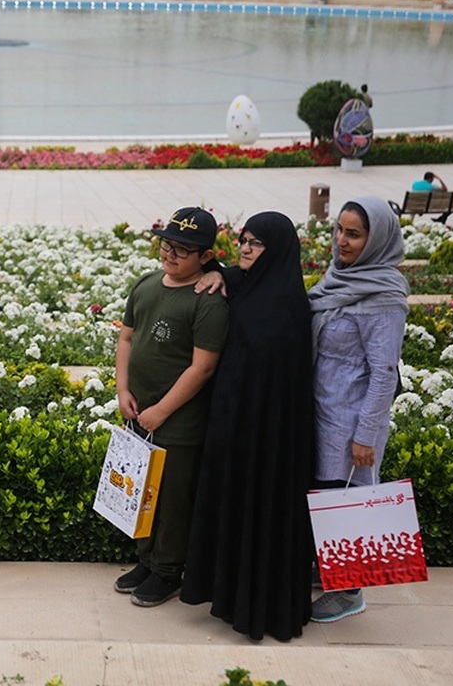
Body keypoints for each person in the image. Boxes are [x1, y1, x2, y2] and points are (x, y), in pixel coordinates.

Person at [181, 212, 315, 641]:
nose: (245, 248)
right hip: (234, 431)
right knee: (233, 513)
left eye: (256, 244)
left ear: (275, 252)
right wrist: (220, 273)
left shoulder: (291, 307)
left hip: (271, 441)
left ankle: (264, 609)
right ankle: (230, 599)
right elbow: (223, 276)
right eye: (243, 239)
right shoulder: (243, 284)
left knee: (265, 519)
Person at [113, 207, 229, 608]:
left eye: (184, 249)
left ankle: (167, 571)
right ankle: (146, 560)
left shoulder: (207, 301)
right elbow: (126, 340)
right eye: (167, 244)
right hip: (136, 414)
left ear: (206, 258)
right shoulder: (146, 285)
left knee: (172, 499)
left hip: (178, 423)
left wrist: (162, 410)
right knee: (142, 492)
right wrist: (122, 388)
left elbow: (203, 367)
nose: (171, 254)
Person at [307, 196, 409, 623]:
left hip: (351, 420)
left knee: (347, 496)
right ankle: (330, 569)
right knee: (327, 494)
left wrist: (366, 434)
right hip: (322, 410)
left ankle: (350, 592)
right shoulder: (340, 278)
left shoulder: (384, 295)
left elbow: (384, 373)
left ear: (376, 239)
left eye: (354, 234)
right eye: (339, 230)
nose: (342, 241)